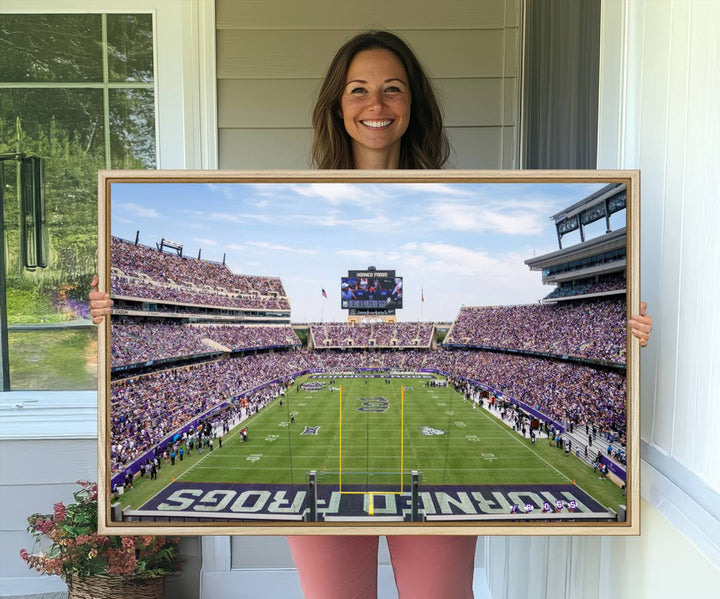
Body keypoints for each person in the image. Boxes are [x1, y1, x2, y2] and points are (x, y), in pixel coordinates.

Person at [89, 29, 653, 599]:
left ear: (413, 104)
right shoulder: (298, 193)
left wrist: (620, 331)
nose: (375, 105)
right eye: (358, 89)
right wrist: (115, 313)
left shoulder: (454, 195)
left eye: (393, 89)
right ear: (338, 104)